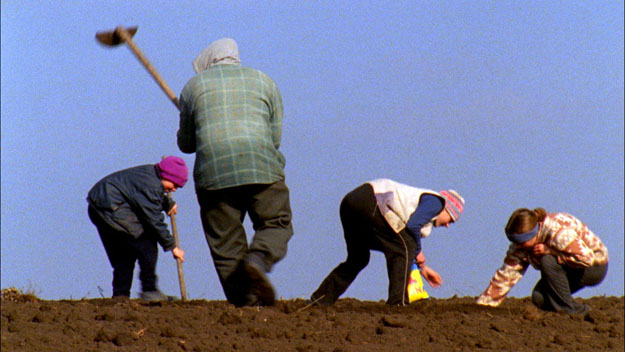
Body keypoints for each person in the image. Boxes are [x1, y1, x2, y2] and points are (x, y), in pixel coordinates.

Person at [177, 38, 293, 307]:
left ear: (208, 62)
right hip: (262, 167)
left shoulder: (193, 88)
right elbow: (275, 138)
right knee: (276, 223)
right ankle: (258, 260)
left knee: (226, 243)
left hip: (213, 175)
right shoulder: (265, 81)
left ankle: (246, 305)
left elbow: (186, 144)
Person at [310, 179, 464, 306]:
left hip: (351, 203)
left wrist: (422, 268)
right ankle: (397, 304)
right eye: (451, 219)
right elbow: (412, 227)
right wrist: (417, 251)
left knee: (359, 259)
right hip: (371, 201)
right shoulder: (437, 202)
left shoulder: (424, 208)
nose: (447, 225)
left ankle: (320, 300)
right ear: (447, 209)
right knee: (404, 248)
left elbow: (405, 237)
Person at [87, 156, 188, 301]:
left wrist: (167, 203)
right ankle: (150, 290)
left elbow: (142, 195)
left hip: (99, 206)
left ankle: (120, 296)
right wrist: (172, 246)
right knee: (147, 242)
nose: (174, 189)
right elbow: (153, 219)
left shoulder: (150, 174)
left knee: (125, 254)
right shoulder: (151, 184)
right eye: (175, 184)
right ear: (166, 176)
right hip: (111, 207)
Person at [477, 208, 609, 314]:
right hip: (568, 268)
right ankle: (583, 312)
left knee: (548, 260)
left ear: (533, 234)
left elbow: (586, 258)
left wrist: (552, 251)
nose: (518, 246)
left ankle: (568, 313)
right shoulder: (521, 245)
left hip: (594, 267)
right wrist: (484, 305)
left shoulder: (558, 233)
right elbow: (507, 273)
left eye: (521, 242)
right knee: (539, 298)